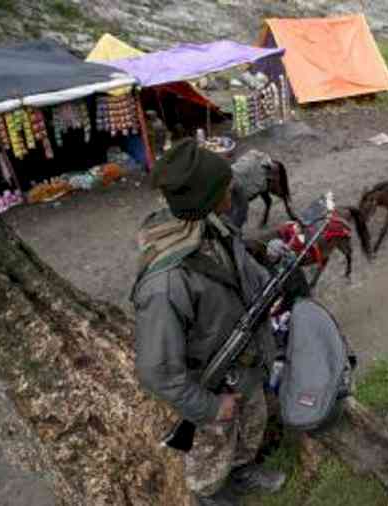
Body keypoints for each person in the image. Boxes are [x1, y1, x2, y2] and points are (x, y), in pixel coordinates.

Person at [131, 139, 287, 506]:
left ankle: (242, 469)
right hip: (208, 389)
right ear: (205, 199)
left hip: (245, 367)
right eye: (223, 188)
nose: (231, 192)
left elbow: (240, 269)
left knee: (249, 427)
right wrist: (209, 407)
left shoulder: (212, 226)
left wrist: (267, 286)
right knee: (209, 456)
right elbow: (156, 370)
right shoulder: (166, 283)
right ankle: (212, 496)